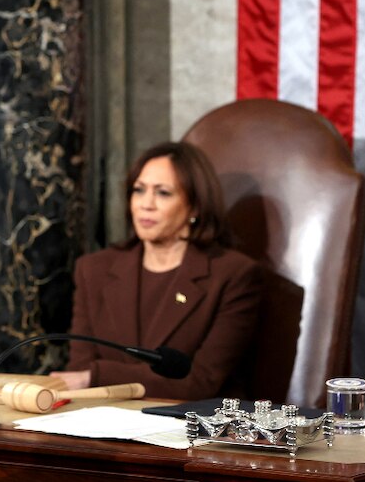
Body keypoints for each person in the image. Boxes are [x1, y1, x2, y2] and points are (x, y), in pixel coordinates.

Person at [50, 141, 262, 400]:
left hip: (187, 428)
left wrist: (97, 375)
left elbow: (201, 382)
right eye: (138, 190)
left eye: (163, 193)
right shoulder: (94, 270)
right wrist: (89, 376)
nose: (145, 204)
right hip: (104, 423)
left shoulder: (233, 275)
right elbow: (78, 370)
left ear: (195, 206)